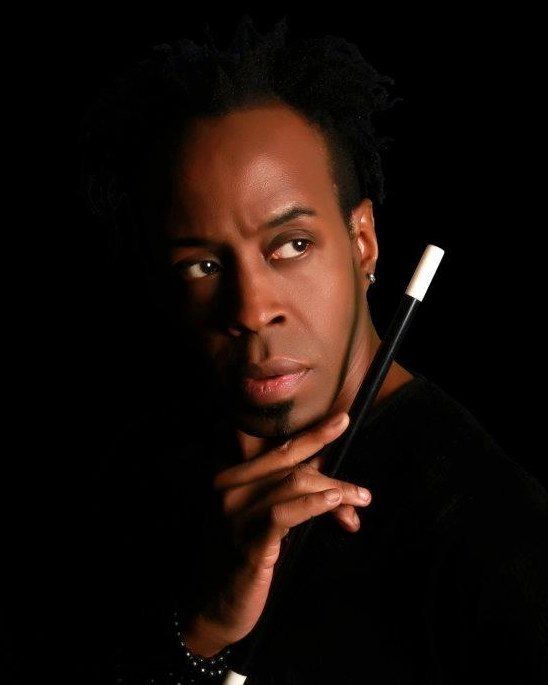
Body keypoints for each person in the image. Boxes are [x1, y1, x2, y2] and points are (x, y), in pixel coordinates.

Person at [79, 14, 548, 684]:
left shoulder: (492, 530)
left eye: (292, 245)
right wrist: (204, 630)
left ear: (363, 244)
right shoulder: (132, 475)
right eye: (203, 266)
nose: (251, 310)